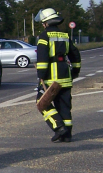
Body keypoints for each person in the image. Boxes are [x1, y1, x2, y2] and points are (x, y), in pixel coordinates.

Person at [34, 8, 81, 142]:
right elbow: (75, 55)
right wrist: (75, 71)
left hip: (51, 79)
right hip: (65, 77)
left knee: (42, 103)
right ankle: (67, 135)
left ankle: (59, 127)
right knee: (64, 106)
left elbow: (42, 58)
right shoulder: (65, 35)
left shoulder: (44, 36)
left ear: (46, 23)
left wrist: (41, 75)